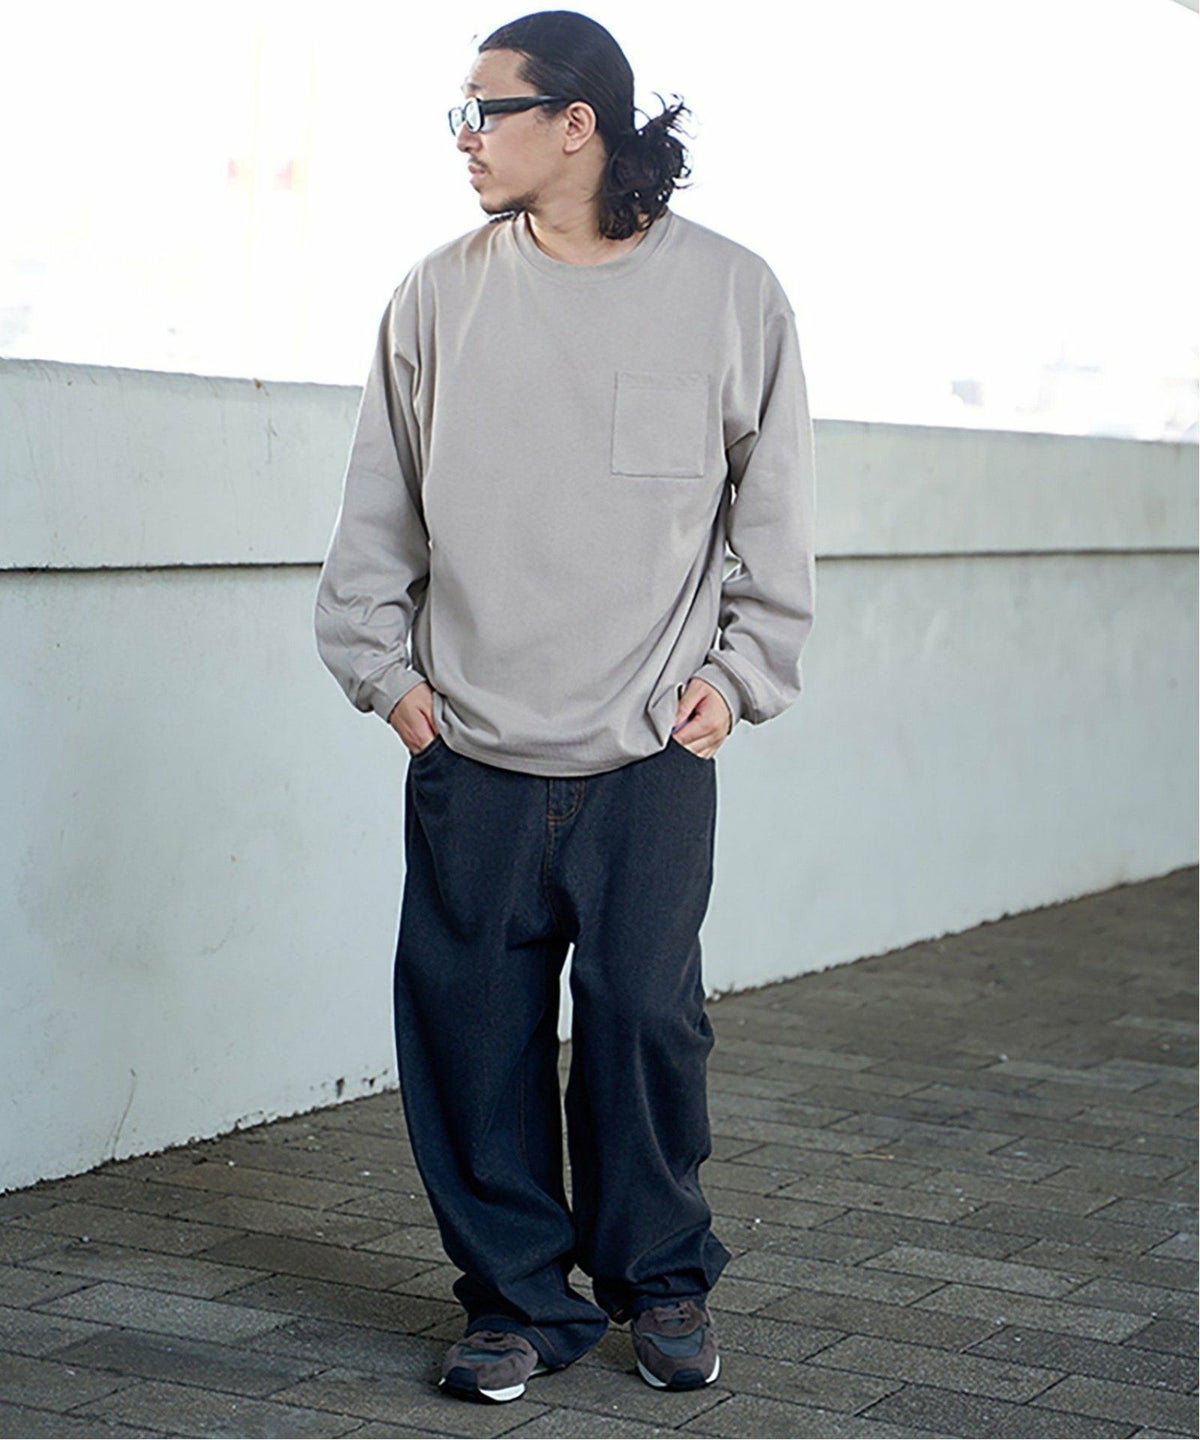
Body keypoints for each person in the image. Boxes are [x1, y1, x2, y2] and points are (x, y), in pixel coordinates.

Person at [314, 7, 816, 1406]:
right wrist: (391, 684)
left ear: (576, 122)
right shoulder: (436, 298)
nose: (464, 138)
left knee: (646, 1022)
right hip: (471, 747)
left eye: (486, 110)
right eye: (461, 112)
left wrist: (738, 676)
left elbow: (775, 517)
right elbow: (376, 513)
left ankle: (660, 1279)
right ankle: (516, 1302)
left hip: (650, 747)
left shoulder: (731, 294)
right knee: (471, 1034)